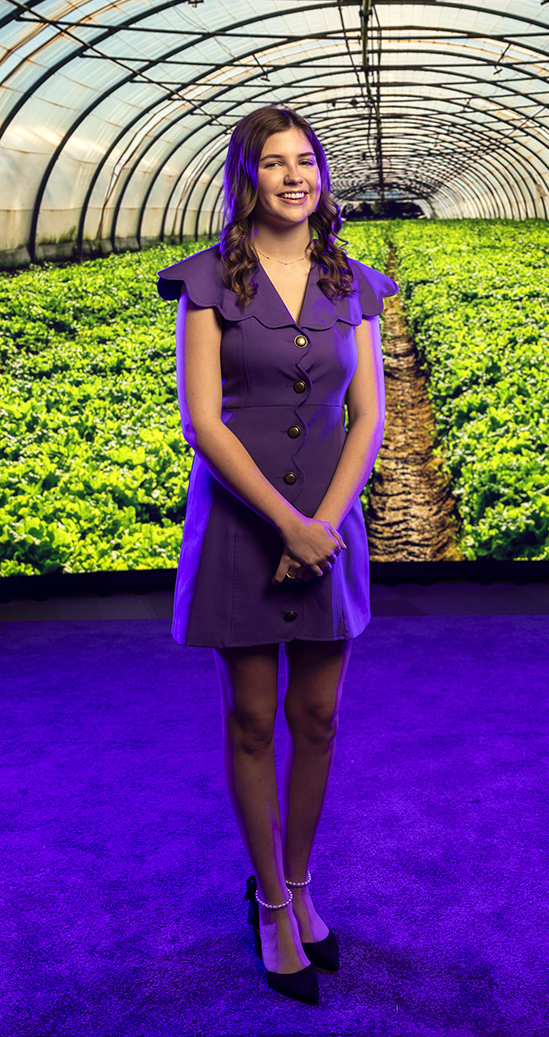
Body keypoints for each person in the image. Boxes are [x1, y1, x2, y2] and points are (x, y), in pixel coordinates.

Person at [155, 106, 396, 1006]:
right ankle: (267, 902)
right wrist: (285, 525)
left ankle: (299, 884)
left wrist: (321, 524)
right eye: (273, 163)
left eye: (306, 161)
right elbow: (202, 422)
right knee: (253, 720)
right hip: (241, 527)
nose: (294, 177)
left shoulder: (355, 285)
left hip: (329, 528)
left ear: (322, 175)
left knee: (320, 717)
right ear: (245, 178)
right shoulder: (207, 282)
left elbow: (369, 415)